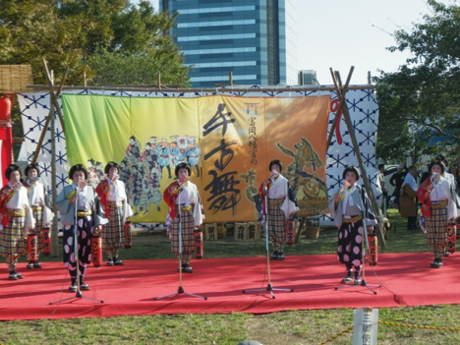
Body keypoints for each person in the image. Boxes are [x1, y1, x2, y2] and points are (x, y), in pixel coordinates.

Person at [56, 164, 107, 291]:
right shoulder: (68, 189)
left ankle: (82, 279)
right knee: (72, 250)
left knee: (85, 250)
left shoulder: (90, 189)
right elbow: (57, 203)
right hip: (72, 222)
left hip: (87, 222)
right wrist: (69, 201)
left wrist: (98, 223)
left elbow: (97, 207)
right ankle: (73, 280)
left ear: (85, 176)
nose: (79, 177)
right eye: (76, 175)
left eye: (81, 175)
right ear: (72, 177)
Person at [329, 166, 377, 284]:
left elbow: (367, 207)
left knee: (357, 248)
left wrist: (370, 223)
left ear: (356, 178)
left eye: (352, 175)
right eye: (348, 175)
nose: (349, 178)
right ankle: (349, 273)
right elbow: (333, 207)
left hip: (357, 223)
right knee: (345, 247)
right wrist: (335, 200)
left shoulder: (360, 190)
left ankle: (358, 275)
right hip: (345, 223)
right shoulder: (341, 191)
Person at [163, 162, 204, 273]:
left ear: (188, 173)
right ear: (177, 173)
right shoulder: (174, 186)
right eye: (181, 171)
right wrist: (173, 193)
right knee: (178, 239)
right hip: (177, 214)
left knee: (188, 239)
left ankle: (187, 263)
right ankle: (180, 263)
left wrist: (197, 220)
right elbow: (167, 197)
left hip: (189, 214)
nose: (183, 173)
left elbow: (197, 203)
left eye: (185, 171)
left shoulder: (193, 187)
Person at [417, 161, 458, 268]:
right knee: (432, 234)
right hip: (430, 211)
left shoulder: (446, 183)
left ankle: (438, 258)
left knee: (440, 234)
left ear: (442, 170)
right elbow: (421, 197)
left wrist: (451, 214)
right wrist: (427, 190)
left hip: (442, 211)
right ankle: (435, 255)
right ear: (430, 170)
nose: (435, 170)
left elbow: (450, 199)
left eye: (438, 168)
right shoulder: (426, 182)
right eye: (433, 168)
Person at [0, 164, 35, 280]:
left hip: (22, 218)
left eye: (18, 174)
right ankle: (11, 270)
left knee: (19, 243)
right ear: (8, 177)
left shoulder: (23, 188)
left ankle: (14, 267)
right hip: (10, 219)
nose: (16, 176)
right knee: (11, 245)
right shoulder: (5, 190)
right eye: (13, 175)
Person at [259, 159, 298, 261]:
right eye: (273, 167)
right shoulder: (268, 181)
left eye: (277, 167)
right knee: (271, 229)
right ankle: (274, 250)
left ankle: (281, 250)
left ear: (280, 169)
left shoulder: (284, 181)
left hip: (280, 206)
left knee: (280, 229)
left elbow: (288, 195)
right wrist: (264, 187)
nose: (274, 169)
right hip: (270, 207)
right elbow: (263, 194)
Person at [95, 161, 133, 266]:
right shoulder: (103, 183)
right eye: (111, 170)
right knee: (108, 234)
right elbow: (98, 195)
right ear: (107, 172)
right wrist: (107, 188)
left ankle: (116, 256)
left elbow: (124, 198)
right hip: (109, 210)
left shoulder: (121, 183)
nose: (114, 171)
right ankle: (109, 257)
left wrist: (127, 211)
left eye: (115, 170)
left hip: (119, 209)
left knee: (118, 232)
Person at [23, 163, 54, 269]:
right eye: (30, 172)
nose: (32, 173)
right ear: (27, 174)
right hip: (29, 212)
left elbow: (46, 200)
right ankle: (30, 259)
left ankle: (36, 258)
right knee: (30, 235)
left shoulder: (41, 186)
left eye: (34, 171)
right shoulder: (24, 186)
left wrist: (49, 212)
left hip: (40, 211)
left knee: (39, 234)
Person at [400, 166, 419, 230]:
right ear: (410, 170)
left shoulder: (411, 177)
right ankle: (410, 225)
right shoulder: (408, 177)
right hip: (409, 197)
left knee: (413, 211)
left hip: (413, 196)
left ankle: (413, 224)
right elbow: (407, 188)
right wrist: (413, 193)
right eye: (414, 170)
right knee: (411, 212)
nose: (415, 172)